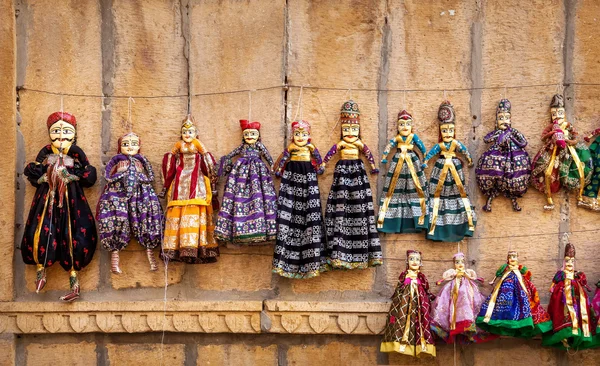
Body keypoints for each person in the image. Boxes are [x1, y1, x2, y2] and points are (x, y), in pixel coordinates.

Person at [21, 112, 97, 301]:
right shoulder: (47, 151)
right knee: (42, 230)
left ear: (74, 133)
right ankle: (41, 272)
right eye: (56, 131)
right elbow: (34, 171)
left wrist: (71, 176)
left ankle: (74, 283)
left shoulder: (76, 152)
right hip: (48, 197)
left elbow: (88, 173)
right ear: (49, 133)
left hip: (72, 199)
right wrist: (44, 177)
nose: (61, 135)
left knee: (74, 234)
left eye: (66, 131)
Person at [321, 100, 382, 270]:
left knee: (360, 205)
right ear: (341, 130)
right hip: (341, 173)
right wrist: (323, 165)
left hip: (358, 173)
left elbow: (368, 155)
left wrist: (373, 167)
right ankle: (339, 253)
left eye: (353, 129)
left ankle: (361, 252)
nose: (349, 132)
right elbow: (329, 154)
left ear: (359, 130)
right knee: (339, 205)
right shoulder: (341, 144)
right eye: (346, 129)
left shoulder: (358, 144)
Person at [97, 132, 163, 273]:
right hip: (118, 188)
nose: (129, 147)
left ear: (139, 146)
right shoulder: (117, 160)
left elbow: (150, 172)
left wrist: (145, 179)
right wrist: (114, 178)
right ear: (120, 147)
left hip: (141, 189)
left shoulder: (141, 160)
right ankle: (115, 258)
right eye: (125, 144)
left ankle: (151, 255)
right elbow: (107, 171)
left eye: (133, 144)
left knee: (146, 214)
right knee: (115, 216)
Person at [161, 115, 219, 263]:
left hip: (197, 182)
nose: (187, 134)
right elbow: (170, 161)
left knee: (196, 208)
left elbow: (208, 162)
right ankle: (175, 247)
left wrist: (213, 184)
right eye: (184, 131)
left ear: (196, 133)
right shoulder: (178, 145)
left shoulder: (197, 145)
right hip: (179, 184)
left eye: (191, 132)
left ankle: (198, 247)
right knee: (178, 210)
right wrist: (166, 184)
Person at [272, 120, 326, 279]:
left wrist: (320, 167)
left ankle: (312, 263)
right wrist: (279, 170)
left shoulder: (310, 147)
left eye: (304, 134)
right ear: (292, 135)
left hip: (308, 177)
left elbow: (318, 160)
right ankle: (285, 262)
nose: (300, 137)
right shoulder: (291, 148)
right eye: (297, 134)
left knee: (311, 213)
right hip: (291, 179)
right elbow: (282, 159)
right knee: (289, 213)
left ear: (309, 135)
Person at [215, 120, 277, 244]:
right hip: (240, 173)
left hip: (258, 174)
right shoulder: (241, 147)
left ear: (258, 135)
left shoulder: (259, 146)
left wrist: (273, 166)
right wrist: (224, 162)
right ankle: (238, 229)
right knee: (238, 197)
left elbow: (267, 156)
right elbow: (230, 155)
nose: (249, 136)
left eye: (253, 134)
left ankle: (261, 228)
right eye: (246, 134)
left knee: (259, 196)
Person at [423, 101, 476, 242]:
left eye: (450, 130)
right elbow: (430, 154)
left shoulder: (455, 144)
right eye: (444, 130)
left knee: (460, 192)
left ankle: (464, 224)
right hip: (440, 168)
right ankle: (436, 227)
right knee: (437, 195)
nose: (447, 133)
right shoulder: (439, 145)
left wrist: (469, 159)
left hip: (455, 169)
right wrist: (425, 162)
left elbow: (464, 151)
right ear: (440, 132)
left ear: (454, 130)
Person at [531, 94, 592, 210]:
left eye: (559, 113)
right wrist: (553, 134)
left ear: (564, 113)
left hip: (569, 151)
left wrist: (568, 140)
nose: (557, 116)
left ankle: (580, 198)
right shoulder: (551, 127)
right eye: (554, 114)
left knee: (580, 169)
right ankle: (549, 200)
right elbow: (543, 137)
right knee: (548, 174)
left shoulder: (568, 125)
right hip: (553, 151)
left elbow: (575, 138)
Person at [377, 110, 428, 233]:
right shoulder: (397, 138)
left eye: (408, 124)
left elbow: (422, 147)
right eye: (401, 124)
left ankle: (419, 220)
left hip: (413, 162)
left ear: (412, 126)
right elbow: (389, 146)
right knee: (393, 190)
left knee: (416, 189)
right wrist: (384, 157)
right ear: (397, 126)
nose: (405, 127)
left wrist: (425, 159)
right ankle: (390, 221)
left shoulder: (413, 137)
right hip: (397, 162)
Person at [476, 99, 530, 212]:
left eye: (506, 118)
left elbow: (523, 142)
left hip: (513, 157)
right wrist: (496, 137)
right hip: (497, 156)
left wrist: (512, 137)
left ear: (510, 119)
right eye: (501, 118)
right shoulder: (497, 133)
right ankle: (489, 200)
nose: (504, 121)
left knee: (514, 177)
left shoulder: (513, 132)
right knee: (492, 171)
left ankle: (514, 201)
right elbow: (486, 139)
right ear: (496, 120)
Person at [380, 250, 436, 358]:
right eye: (411, 259)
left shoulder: (421, 277)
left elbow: (426, 288)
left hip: (420, 304)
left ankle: (422, 345)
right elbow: (398, 287)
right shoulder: (404, 275)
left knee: (420, 322)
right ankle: (399, 343)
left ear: (421, 262)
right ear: (407, 261)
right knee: (401, 321)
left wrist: (430, 297)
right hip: (404, 304)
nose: (414, 262)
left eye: (417, 259)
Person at [542, 243, 598, 350]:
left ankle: (577, 332)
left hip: (576, 297)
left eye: (572, 261)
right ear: (564, 261)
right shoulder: (561, 274)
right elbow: (554, 283)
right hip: (562, 297)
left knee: (580, 309)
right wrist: (552, 287)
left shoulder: (577, 275)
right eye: (567, 260)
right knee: (564, 312)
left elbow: (584, 284)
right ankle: (565, 333)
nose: (570, 263)